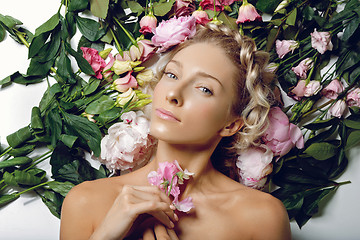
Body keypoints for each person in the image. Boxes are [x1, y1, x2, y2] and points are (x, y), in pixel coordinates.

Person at [60, 23, 291, 240]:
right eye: (172, 75)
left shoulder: (262, 217)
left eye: (204, 89)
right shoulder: (86, 201)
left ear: (231, 124)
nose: (173, 94)